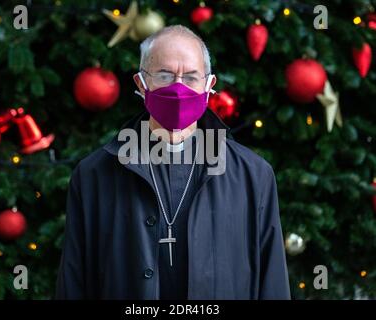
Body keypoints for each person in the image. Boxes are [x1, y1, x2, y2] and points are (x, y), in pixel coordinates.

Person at [55, 25, 290, 300]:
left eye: (190, 77)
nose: (178, 88)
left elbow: (272, 283)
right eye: (165, 76)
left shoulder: (254, 175)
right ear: (141, 85)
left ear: (208, 86)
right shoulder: (94, 175)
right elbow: (73, 283)